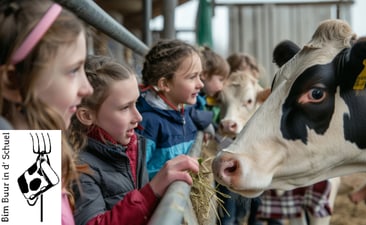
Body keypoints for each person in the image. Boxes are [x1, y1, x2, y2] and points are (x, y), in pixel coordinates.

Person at [67, 55, 200, 225]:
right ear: (87, 115)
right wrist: (151, 192)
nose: (138, 117)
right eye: (124, 108)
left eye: (136, 103)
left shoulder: (132, 145)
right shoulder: (79, 168)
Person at [0, 1, 93, 225]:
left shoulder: (34, 148)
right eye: (73, 70)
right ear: (14, 82)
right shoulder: (20, 160)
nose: (87, 88)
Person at [136, 39, 209, 179]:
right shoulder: (147, 123)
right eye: (192, 77)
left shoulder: (184, 110)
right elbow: (138, 175)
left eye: (199, 76)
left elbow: (200, 116)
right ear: (165, 84)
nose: (200, 84)